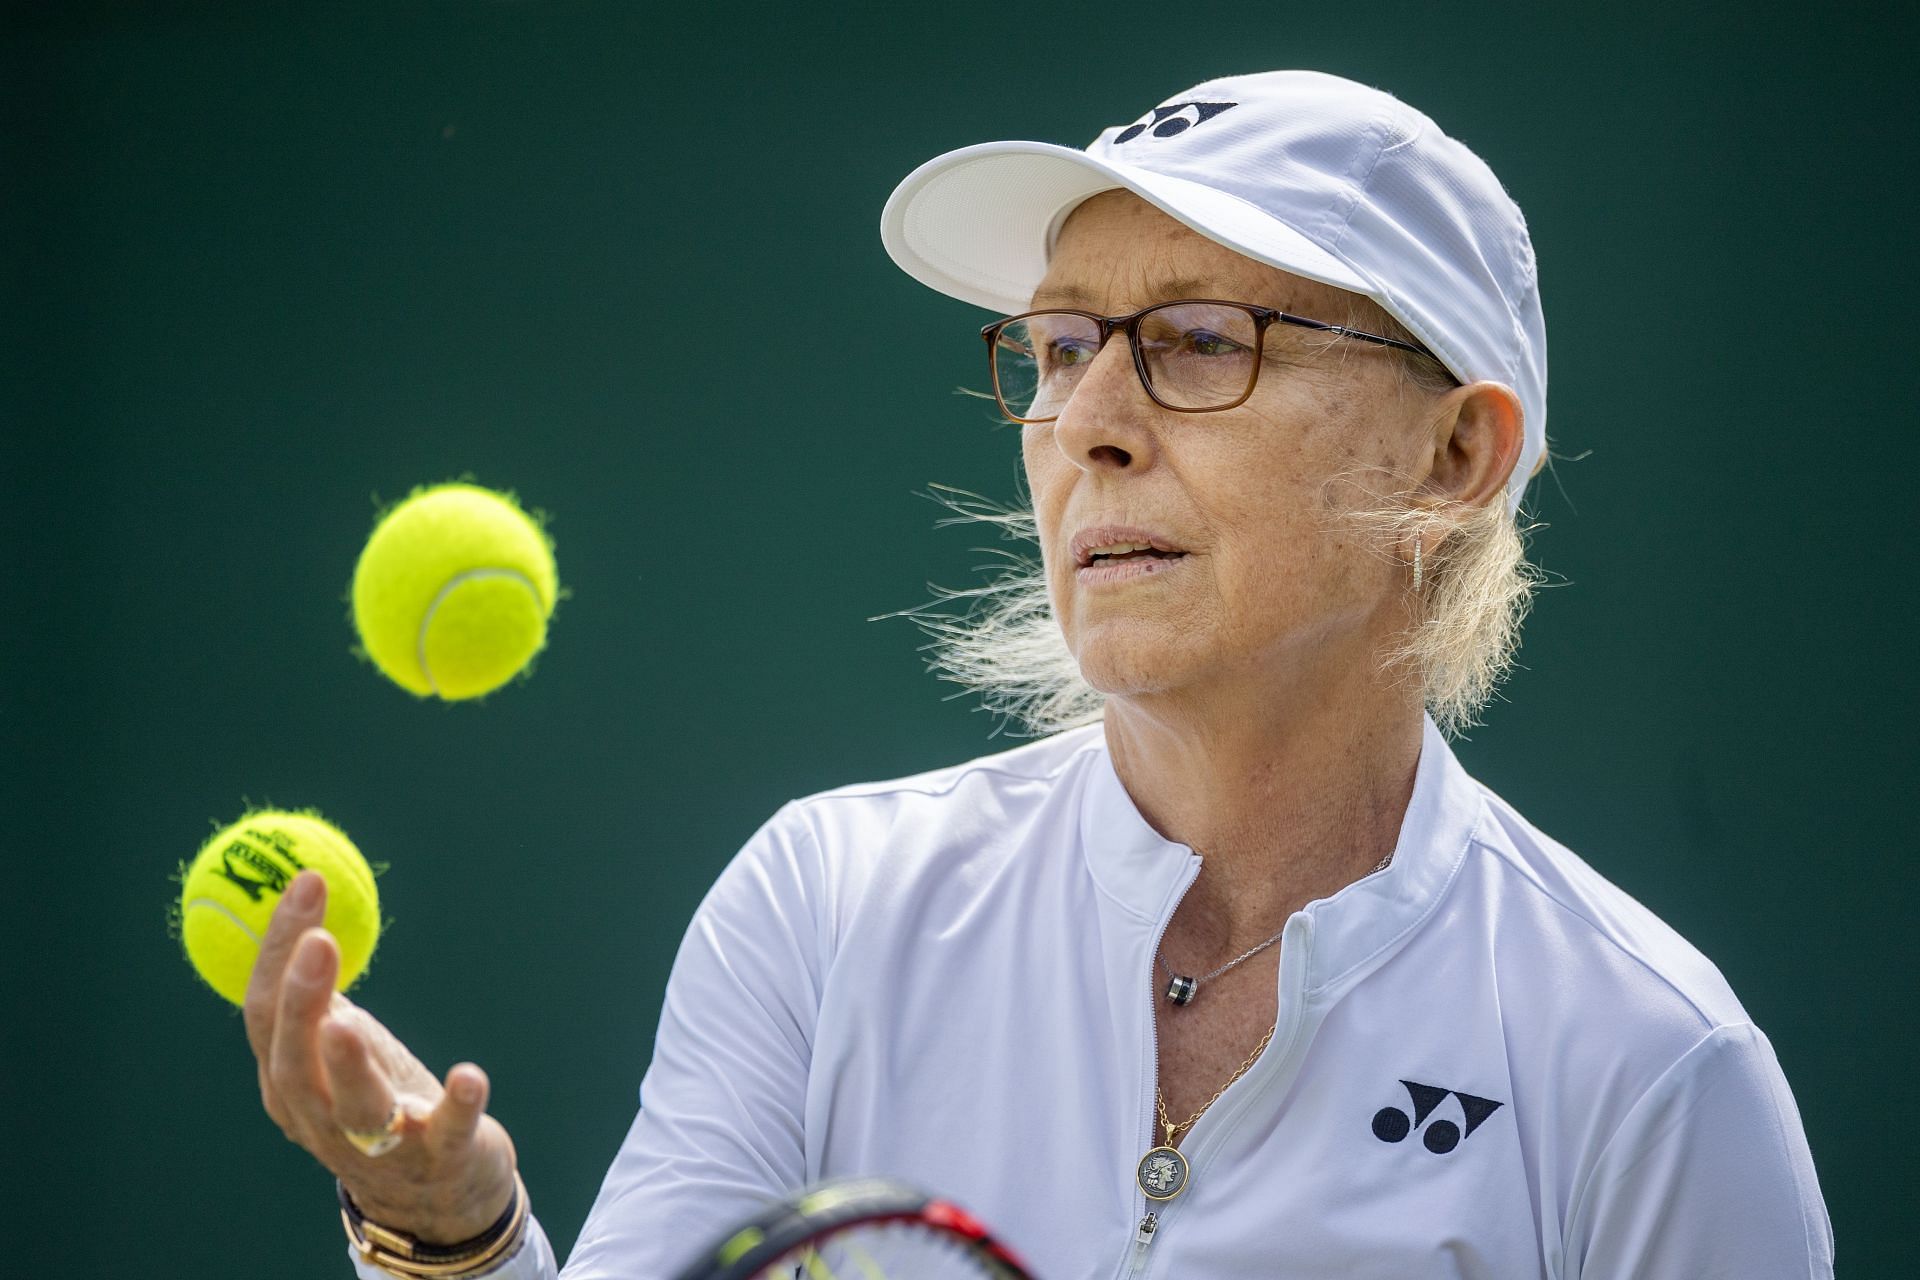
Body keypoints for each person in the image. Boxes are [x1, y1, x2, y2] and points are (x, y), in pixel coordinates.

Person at [247, 70, 1833, 1279]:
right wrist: (450, 1233)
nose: (1088, 422)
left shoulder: (1652, 1072)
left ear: (1455, 454)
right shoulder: (821, 906)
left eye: (1204, 340)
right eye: (1064, 347)